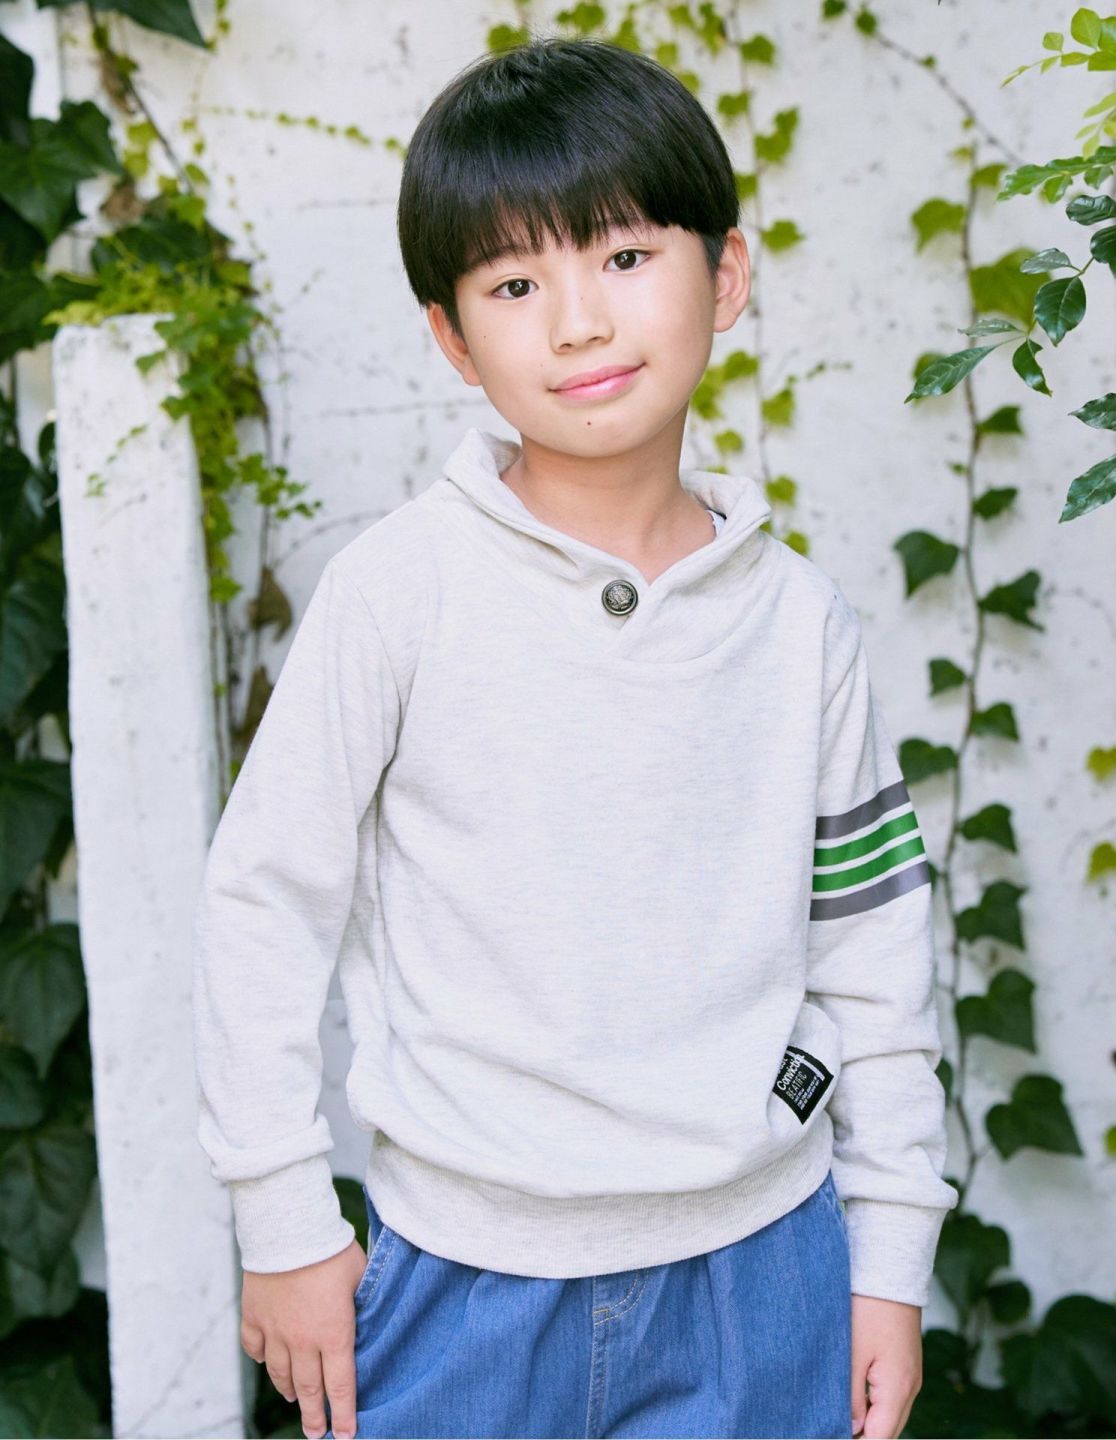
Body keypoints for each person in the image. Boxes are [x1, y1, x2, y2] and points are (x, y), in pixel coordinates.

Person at [190, 34, 959, 1440]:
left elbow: (873, 952)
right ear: (450, 336)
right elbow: (262, 905)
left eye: (625, 255)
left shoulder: (799, 624)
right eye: (515, 284)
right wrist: (283, 1218)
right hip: (464, 1280)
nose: (578, 323)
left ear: (726, 275)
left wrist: (892, 1259)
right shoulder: (397, 594)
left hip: (762, 1271)